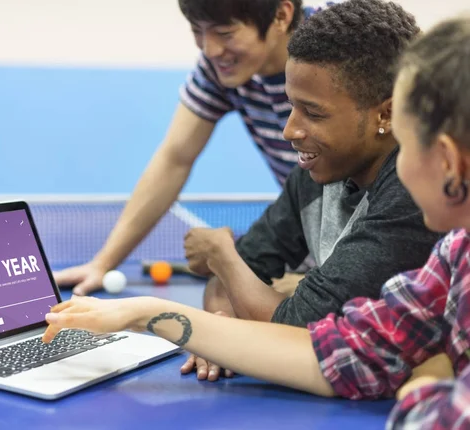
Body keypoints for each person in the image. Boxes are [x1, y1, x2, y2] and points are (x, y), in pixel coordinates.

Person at [43, 15, 470, 428]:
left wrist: (426, 380)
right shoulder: (453, 257)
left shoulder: (409, 207)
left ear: (446, 159)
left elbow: (428, 409)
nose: (288, 130)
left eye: (409, 144)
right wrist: (148, 313)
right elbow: (352, 352)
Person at [180, 0, 442, 380]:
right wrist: (222, 332)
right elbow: (240, 277)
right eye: (291, 106)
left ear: (385, 114)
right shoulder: (316, 171)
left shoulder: (412, 197)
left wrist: (221, 254)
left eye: (313, 113)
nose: (289, 130)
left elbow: (296, 329)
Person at [54, 0, 336, 296]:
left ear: (281, 15)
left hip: (364, 258)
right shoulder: (222, 68)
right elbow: (175, 158)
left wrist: (327, 282)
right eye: (197, 31)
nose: (210, 49)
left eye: (225, 33)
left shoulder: (344, 47)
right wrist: (102, 263)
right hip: (312, 246)